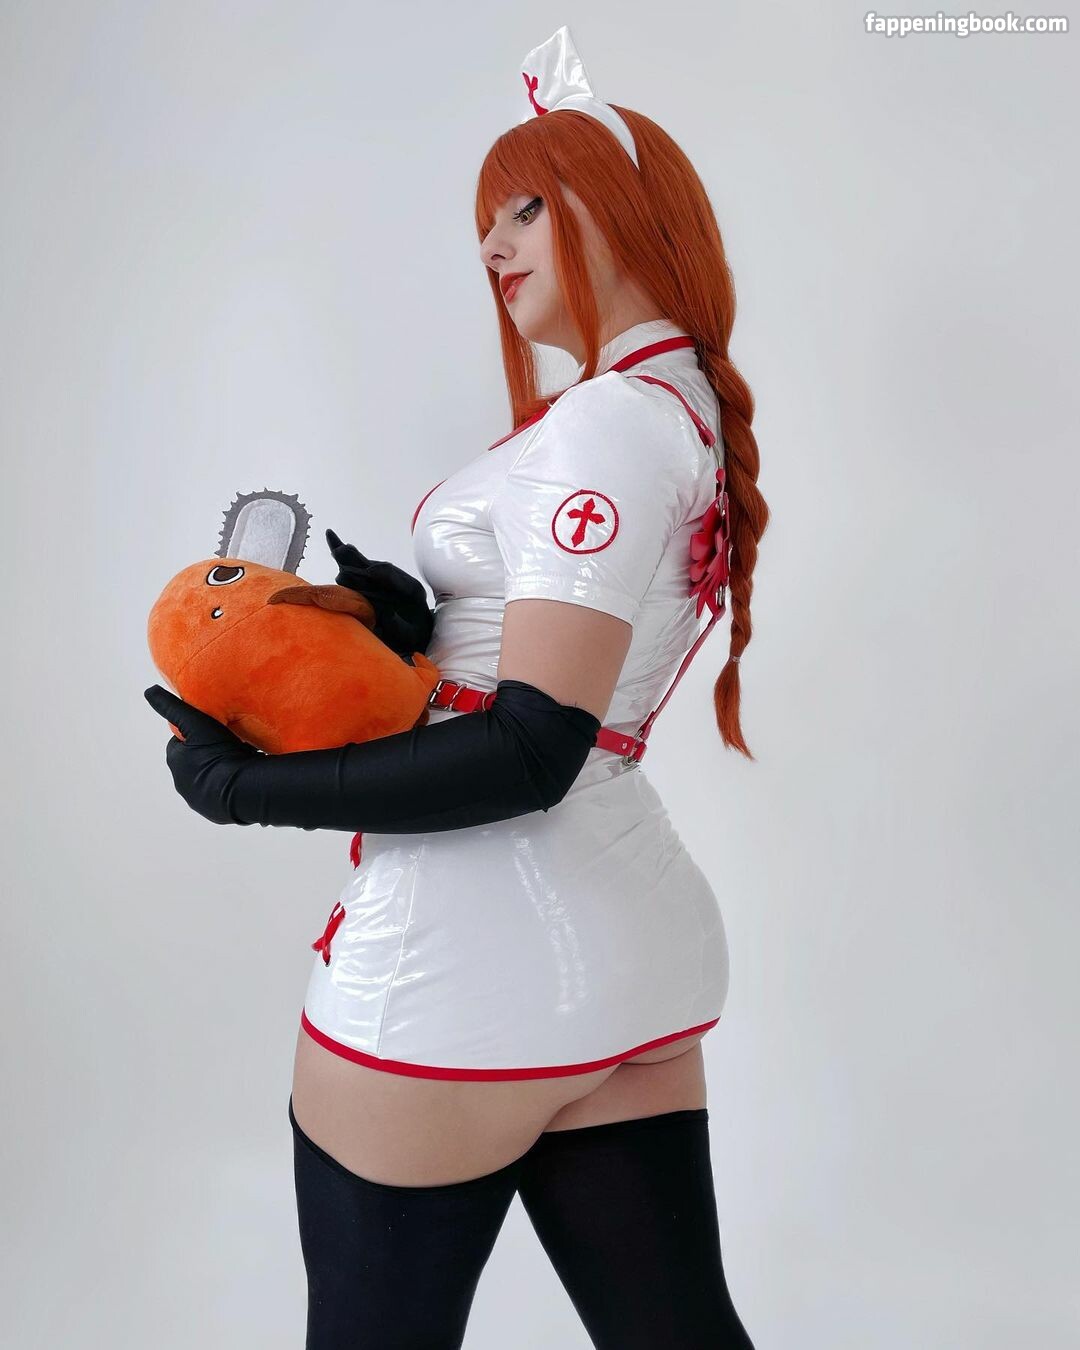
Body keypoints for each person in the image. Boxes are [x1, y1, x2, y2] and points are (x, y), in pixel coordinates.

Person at [145, 24, 768, 1349]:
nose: (492, 245)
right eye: (488, 218)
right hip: (628, 956)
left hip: (457, 966)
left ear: (623, 207)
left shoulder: (607, 424)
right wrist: (417, 624)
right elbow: (547, 686)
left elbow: (532, 747)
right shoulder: (669, 408)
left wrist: (247, 789)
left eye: (527, 207)